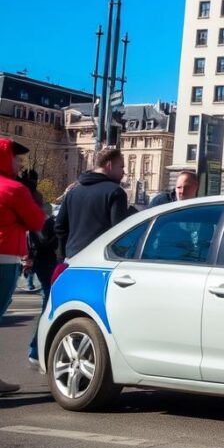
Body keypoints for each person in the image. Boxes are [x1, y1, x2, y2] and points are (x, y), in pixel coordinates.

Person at [0, 139, 46, 395]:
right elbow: (36, 219)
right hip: (4, 258)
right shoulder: (13, 189)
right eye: (16, 159)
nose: (19, 164)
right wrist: (31, 196)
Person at [55, 148, 128, 260]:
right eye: (121, 167)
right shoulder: (115, 192)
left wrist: (65, 253)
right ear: (109, 165)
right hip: (99, 259)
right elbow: (119, 232)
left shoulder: (73, 191)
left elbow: (59, 226)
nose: (124, 172)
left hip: (72, 258)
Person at [25, 190, 57, 363]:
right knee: (47, 304)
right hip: (48, 263)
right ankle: (36, 349)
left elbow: (32, 244)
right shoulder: (46, 221)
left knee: (46, 301)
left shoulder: (31, 221)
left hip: (38, 262)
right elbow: (50, 244)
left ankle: (36, 349)